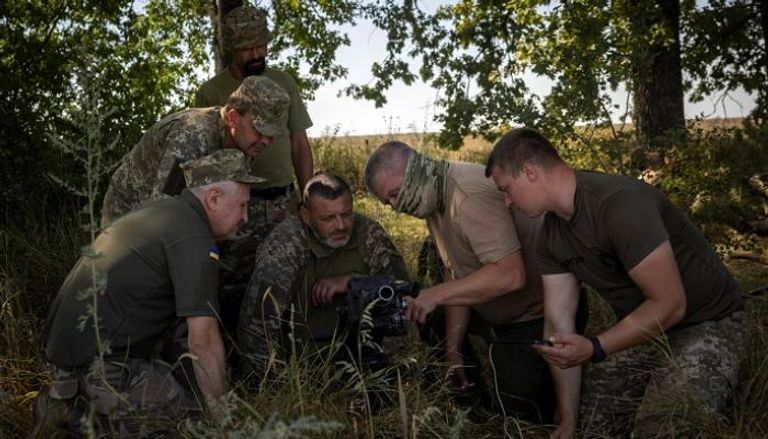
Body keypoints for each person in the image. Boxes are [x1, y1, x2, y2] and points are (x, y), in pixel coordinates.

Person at [485, 127, 746, 438]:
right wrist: (569, 422)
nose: (507, 203)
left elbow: (670, 304)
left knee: (661, 426)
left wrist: (596, 347)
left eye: (506, 189)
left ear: (529, 172)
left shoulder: (619, 204)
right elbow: (558, 328)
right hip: (644, 334)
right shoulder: (550, 238)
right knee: (590, 422)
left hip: (708, 322)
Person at [33, 149, 260, 436]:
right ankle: (78, 419)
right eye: (242, 206)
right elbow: (202, 342)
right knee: (191, 420)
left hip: (62, 355)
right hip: (97, 366)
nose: (246, 217)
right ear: (214, 199)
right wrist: (224, 421)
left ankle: (66, 401)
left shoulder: (161, 212)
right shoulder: (194, 239)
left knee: (181, 382)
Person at [364, 141, 561, 424]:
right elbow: (455, 273)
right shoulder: (432, 195)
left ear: (414, 169)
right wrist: (453, 352)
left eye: (396, 193)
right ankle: (471, 399)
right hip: (494, 311)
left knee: (520, 420)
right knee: (431, 315)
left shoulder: (465, 195)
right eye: (388, 201)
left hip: (534, 318)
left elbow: (510, 274)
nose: (397, 206)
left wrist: (435, 294)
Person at [237, 173, 410, 378]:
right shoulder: (285, 245)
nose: (341, 225)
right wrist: (275, 389)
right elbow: (257, 329)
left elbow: (406, 295)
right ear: (306, 216)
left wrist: (355, 282)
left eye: (346, 214)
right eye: (328, 218)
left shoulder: (367, 233)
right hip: (299, 370)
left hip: (363, 362)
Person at [101, 74, 289, 226]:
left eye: (272, 135)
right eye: (259, 131)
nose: (265, 141)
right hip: (130, 214)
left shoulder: (245, 141)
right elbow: (164, 210)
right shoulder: (191, 135)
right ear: (232, 118)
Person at [195, 5, 314, 236]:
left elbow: (299, 144)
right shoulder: (210, 93)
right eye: (247, 49)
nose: (256, 54)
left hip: (285, 202)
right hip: (235, 206)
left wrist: (308, 199)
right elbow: (204, 157)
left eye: (261, 46)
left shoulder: (284, 83)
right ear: (231, 50)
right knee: (233, 272)